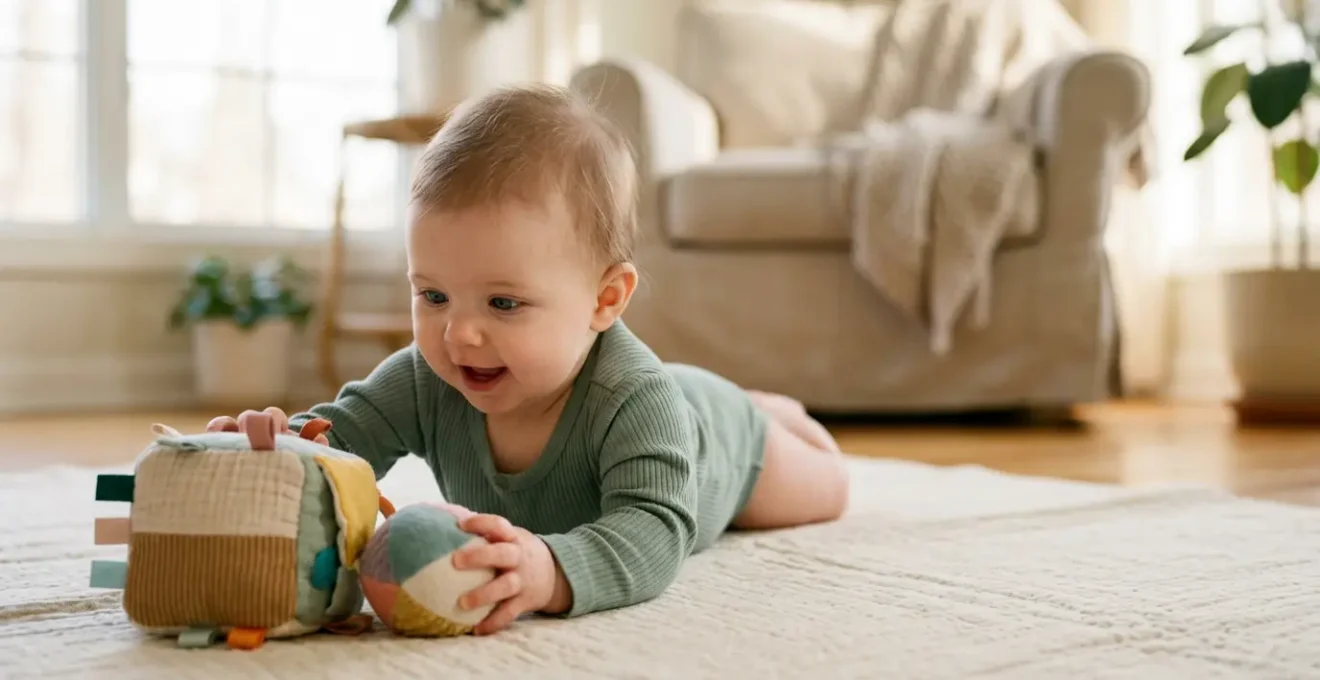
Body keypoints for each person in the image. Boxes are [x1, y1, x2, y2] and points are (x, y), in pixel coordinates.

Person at [206, 84, 849, 636]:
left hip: (721, 437)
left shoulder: (634, 398)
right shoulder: (427, 375)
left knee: (829, 488)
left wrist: (551, 569)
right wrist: (271, 450)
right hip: (672, 408)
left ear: (605, 299)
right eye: (432, 295)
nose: (460, 335)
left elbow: (654, 532)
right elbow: (340, 440)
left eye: (503, 303)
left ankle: (773, 411)